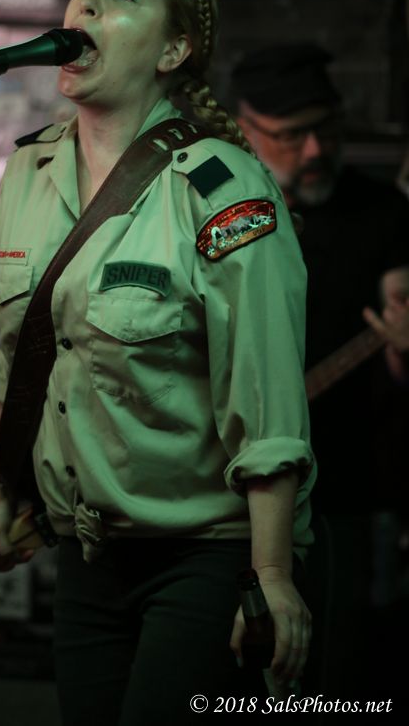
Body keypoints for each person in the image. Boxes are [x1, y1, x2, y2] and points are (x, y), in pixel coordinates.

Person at [0, 0, 315, 725]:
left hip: (205, 556)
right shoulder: (28, 171)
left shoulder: (223, 187)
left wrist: (270, 573)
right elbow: (20, 357)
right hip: (87, 555)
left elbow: (266, 394)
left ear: (173, 50)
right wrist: (1, 488)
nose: (88, 1)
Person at [230, 43, 409, 702]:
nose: (313, 151)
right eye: (291, 136)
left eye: (326, 130)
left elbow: (399, 312)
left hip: (345, 493)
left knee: (336, 673)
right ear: (244, 129)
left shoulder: (384, 213)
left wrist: (402, 348)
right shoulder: (215, 216)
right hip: (221, 499)